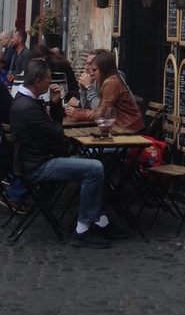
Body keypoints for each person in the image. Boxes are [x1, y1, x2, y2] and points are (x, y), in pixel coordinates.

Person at [10, 57, 116, 247]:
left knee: (98, 161)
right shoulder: (27, 108)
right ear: (38, 82)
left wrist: (54, 103)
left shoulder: (24, 101)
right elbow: (58, 134)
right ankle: (82, 230)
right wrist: (55, 106)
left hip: (35, 162)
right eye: (48, 78)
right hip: (38, 167)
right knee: (94, 168)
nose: (51, 81)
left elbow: (55, 132)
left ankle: (101, 220)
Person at [65, 50, 144, 132]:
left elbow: (102, 113)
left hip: (129, 128)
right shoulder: (105, 80)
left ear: (103, 68)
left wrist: (79, 115)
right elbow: (96, 108)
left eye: (95, 70)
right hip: (120, 127)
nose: (91, 73)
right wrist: (83, 89)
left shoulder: (111, 82)